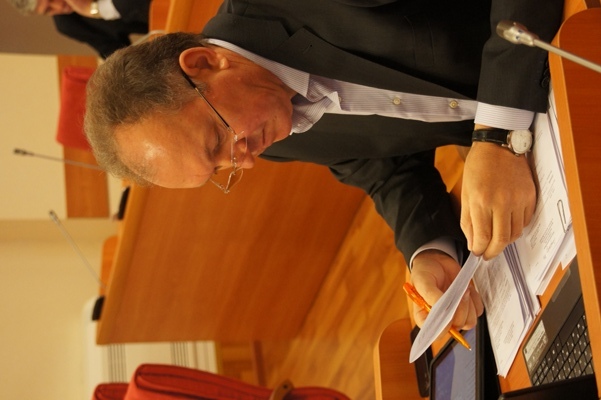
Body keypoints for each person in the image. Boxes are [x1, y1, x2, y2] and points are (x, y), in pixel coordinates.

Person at [84, 0, 563, 334]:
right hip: (555, 138)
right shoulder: (264, 128)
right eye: (219, 170)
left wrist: (500, 136)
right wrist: (427, 250)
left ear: (204, 63)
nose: (242, 159)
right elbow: (380, 165)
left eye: (216, 140)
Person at [7, 0, 151, 58]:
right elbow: (116, 54)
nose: (59, 7)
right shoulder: (66, 24)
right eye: (48, 10)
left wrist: (93, 9)